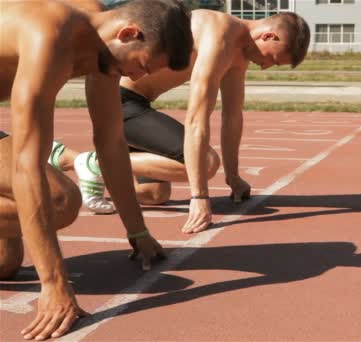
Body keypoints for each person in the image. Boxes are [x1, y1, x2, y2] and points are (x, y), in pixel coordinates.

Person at [0, 0, 193, 339]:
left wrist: (138, 231)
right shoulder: (51, 32)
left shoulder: (102, 44)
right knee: (60, 200)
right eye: (142, 65)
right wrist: (55, 284)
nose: (137, 77)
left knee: (5, 263)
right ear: (128, 33)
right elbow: (26, 164)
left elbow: (110, 141)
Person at [51, 9, 311, 234]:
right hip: (117, 98)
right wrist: (199, 196)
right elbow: (197, 118)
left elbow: (232, 116)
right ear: (268, 36)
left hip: (139, 104)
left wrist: (233, 177)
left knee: (155, 194)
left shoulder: (239, 54)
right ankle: (95, 162)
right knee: (207, 163)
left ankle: (70, 159)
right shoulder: (219, 32)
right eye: (273, 59)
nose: (266, 67)